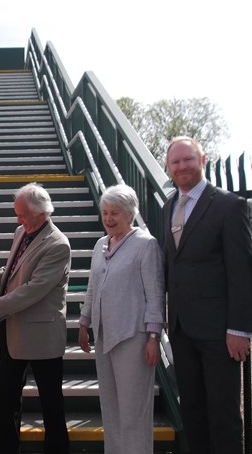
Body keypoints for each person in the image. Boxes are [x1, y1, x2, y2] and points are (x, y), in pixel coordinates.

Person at [163, 137, 252, 454]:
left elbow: (242, 272)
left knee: (223, 416)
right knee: (193, 412)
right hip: (181, 329)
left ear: (202, 160)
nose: (181, 167)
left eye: (188, 159)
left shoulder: (229, 206)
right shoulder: (169, 206)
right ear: (168, 168)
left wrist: (239, 329)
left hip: (219, 333)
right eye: (175, 162)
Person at [0, 182, 71, 454]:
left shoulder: (58, 244)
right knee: (6, 402)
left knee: (51, 404)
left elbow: (32, 290)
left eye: (23, 214)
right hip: (13, 332)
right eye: (17, 214)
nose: (18, 219)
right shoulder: (21, 232)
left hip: (42, 338)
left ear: (41, 213)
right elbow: (15, 269)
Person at [77, 184, 164, 453]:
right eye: (105, 213)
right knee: (111, 409)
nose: (109, 219)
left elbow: (155, 294)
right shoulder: (100, 244)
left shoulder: (145, 244)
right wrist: (84, 322)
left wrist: (153, 337)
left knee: (133, 411)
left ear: (129, 213)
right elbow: (92, 287)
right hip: (104, 335)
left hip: (133, 336)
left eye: (115, 212)